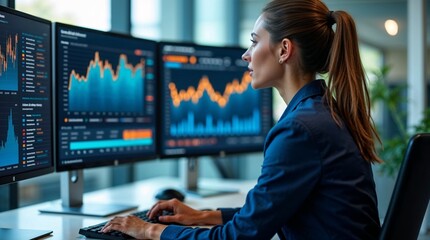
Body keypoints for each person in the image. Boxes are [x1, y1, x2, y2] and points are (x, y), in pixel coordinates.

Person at [101, 0, 383, 239]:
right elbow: (264, 212)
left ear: (284, 50)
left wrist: (150, 231)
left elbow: (241, 235)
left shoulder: (300, 129)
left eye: (254, 41)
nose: (246, 55)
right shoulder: (323, 113)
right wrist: (201, 215)